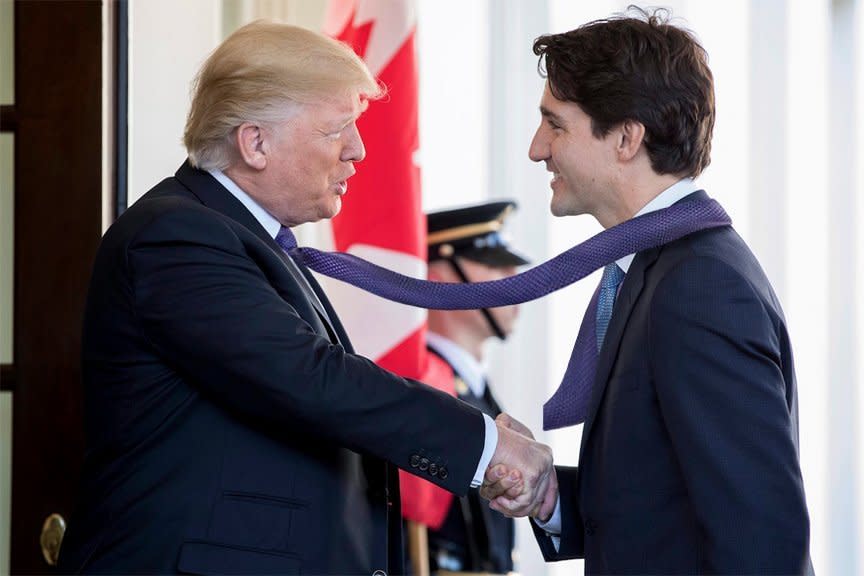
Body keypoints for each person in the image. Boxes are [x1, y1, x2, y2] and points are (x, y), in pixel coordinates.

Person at [56, 21, 555, 575]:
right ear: (256, 142)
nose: (358, 150)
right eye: (338, 128)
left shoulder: (241, 238)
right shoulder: (175, 236)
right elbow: (312, 379)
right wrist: (486, 445)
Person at [481, 8, 812, 574]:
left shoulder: (700, 286)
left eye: (556, 124)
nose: (538, 148)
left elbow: (761, 539)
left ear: (627, 138)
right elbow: (669, 501)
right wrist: (550, 496)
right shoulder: (664, 268)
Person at [405, 201, 530, 574]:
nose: (513, 275)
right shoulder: (423, 386)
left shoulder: (477, 390)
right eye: (493, 264)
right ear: (439, 278)